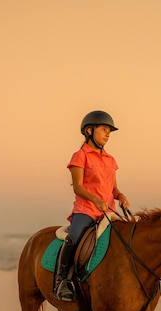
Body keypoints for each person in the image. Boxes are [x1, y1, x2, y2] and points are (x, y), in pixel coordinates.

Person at [53, 110, 131, 301]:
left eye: (109, 132)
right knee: (73, 238)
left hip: (109, 212)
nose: (107, 135)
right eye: (104, 129)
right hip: (86, 210)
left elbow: (114, 189)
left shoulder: (111, 160)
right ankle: (62, 280)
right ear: (89, 131)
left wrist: (121, 196)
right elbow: (78, 188)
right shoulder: (80, 156)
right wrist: (95, 200)